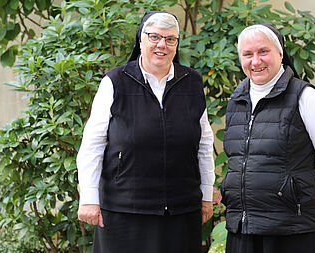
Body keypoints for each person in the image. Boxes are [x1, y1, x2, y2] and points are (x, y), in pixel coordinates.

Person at [76, 11, 215, 253]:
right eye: (154, 37)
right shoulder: (115, 81)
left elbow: (204, 143)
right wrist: (88, 197)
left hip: (181, 209)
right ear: (141, 39)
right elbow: (93, 143)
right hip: (125, 209)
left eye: (170, 39)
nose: (162, 44)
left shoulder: (192, 82)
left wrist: (205, 194)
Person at [220, 24, 315, 253]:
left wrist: (296, 197)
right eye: (247, 54)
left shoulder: (304, 96)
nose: (255, 61)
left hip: (292, 232)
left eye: (263, 52)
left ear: (279, 53)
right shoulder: (236, 100)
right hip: (243, 230)